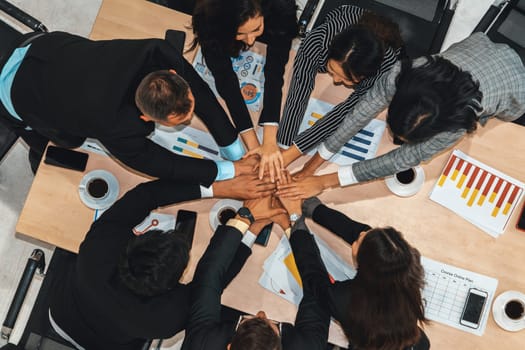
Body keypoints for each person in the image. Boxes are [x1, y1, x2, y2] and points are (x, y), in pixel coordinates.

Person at [0, 30, 260, 197]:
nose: (191, 117)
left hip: (44, 48)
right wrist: (230, 170)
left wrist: (234, 148)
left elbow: (201, 93)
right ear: (146, 118)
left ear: (173, 75)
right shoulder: (112, 124)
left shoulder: (158, 52)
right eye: (180, 121)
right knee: (67, 142)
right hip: (17, 93)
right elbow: (163, 164)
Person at [276, 32, 525, 199]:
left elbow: (404, 158)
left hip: (515, 84)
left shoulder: (456, 125)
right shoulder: (404, 71)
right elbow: (360, 112)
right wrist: (312, 164)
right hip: (480, 49)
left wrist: (327, 181)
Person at [48, 179, 255, 350]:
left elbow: (145, 195)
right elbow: (212, 282)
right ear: (169, 287)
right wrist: (251, 226)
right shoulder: (166, 317)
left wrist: (215, 188)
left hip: (61, 314)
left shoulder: (98, 249)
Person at [181, 195, 331, 350]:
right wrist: (292, 225)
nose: (261, 313)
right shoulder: (307, 346)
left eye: (253, 319)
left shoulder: (202, 343)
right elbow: (318, 288)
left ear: (230, 347)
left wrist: (245, 219)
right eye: (272, 324)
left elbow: (209, 276)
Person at [277, 6, 403, 175]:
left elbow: (344, 113)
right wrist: (284, 146)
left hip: (386, 50)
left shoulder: (386, 67)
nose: (336, 81)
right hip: (345, 17)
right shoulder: (318, 41)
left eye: (347, 79)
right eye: (332, 70)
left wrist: (294, 152)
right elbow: (299, 90)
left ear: (366, 75)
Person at [299, 196, 430, 350]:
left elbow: (314, 277)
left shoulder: (345, 298)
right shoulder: (406, 267)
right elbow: (370, 239)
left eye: (358, 242)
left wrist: (296, 225)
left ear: (364, 267)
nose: (360, 235)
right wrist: (316, 210)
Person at [190, 0, 298, 181]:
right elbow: (225, 78)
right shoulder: (210, 18)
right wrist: (253, 143)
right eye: (240, 33)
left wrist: (270, 140)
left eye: (256, 29)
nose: (250, 41)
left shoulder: (281, 8)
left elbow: (275, 71)